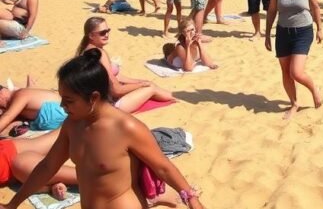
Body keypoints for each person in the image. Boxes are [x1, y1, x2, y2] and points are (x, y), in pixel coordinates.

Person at [0, 50, 203, 209]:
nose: (62, 106)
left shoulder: (127, 127)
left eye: (69, 100)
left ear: (94, 98)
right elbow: (47, 167)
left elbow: (163, 167)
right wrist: (13, 204)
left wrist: (191, 199)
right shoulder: (72, 125)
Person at [265, 0, 323, 118]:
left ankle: (314, 89)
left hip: (303, 31)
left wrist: (319, 28)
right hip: (283, 31)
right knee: (285, 71)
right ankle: (294, 103)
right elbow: (271, 11)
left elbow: (315, 7)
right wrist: (268, 34)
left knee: (296, 72)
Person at [76, 17, 175, 113]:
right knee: (150, 88)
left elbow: (116, 76)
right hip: (110, 107)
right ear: (91, 36)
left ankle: (173, 96)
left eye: (108, 30)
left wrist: (140, 82)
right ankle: (176, 97)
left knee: (148, 83)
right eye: (102, 33)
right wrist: (141, 85)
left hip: (100, 102)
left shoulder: (86, 50)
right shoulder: (99, 54)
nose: (106, 35)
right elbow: (116, 90)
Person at [0, 87, 67, 134]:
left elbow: (7, 116)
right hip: (61, 124)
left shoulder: (20, 94)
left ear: (1, 94)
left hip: (64, 113)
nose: (2, 108)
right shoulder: (18, 102)